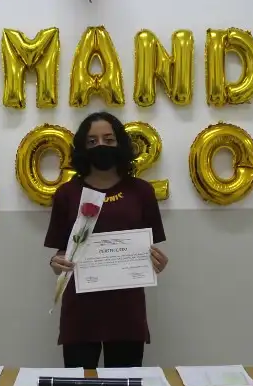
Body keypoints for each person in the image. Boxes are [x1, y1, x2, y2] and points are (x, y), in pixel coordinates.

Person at [44, 111, 168, 369]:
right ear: (82, 147)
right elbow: (60, 254)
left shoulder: (141, 191)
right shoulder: (67, 193)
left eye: (108, 140)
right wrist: (57, 263)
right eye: (92, 141)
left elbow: (149, 246)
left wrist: (157, 262)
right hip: (81, 311)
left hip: (126, 311)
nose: (101, 145)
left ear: (120, 143)